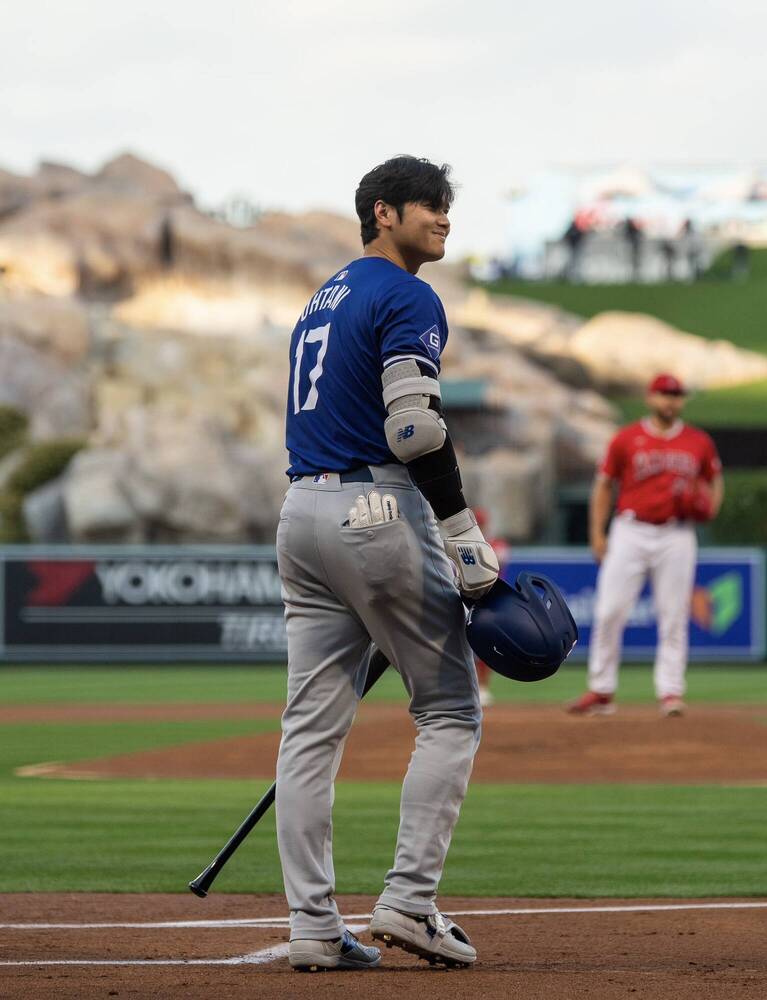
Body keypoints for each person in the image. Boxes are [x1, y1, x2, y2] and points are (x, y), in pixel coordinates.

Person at [276, 155, 499, 972]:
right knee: (450, 710)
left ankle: (310, 928)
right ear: (383, 212)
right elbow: (412, 428)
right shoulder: (408, 294)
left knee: (308, 733)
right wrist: (461, 531)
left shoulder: (323, 296)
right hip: (377, 508)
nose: (443, 217)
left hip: (300, 512)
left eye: (447, 205)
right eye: (427, 206)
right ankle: (408, 904)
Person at [567, 373, 724, 718]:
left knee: (673, 615)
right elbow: (604, 485)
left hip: (677, 534)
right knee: (609, 610)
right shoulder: (627, 439)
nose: (671, 400)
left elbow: (714, 482)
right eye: (665, 394)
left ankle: (670, 691)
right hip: (631, 529)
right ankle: (602, 690)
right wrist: (597, 532)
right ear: (650, 397)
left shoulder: (698, 442)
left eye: (677, 395)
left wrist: (710, 507)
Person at [472, 507, 510, 707]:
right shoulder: (461, 543)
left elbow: (499, 562)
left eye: (480, 523)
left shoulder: (496, 544)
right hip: (468, 601)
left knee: (488, 645)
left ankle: (483, 687)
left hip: (492, 599)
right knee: (466, 646)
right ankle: (469, 688)